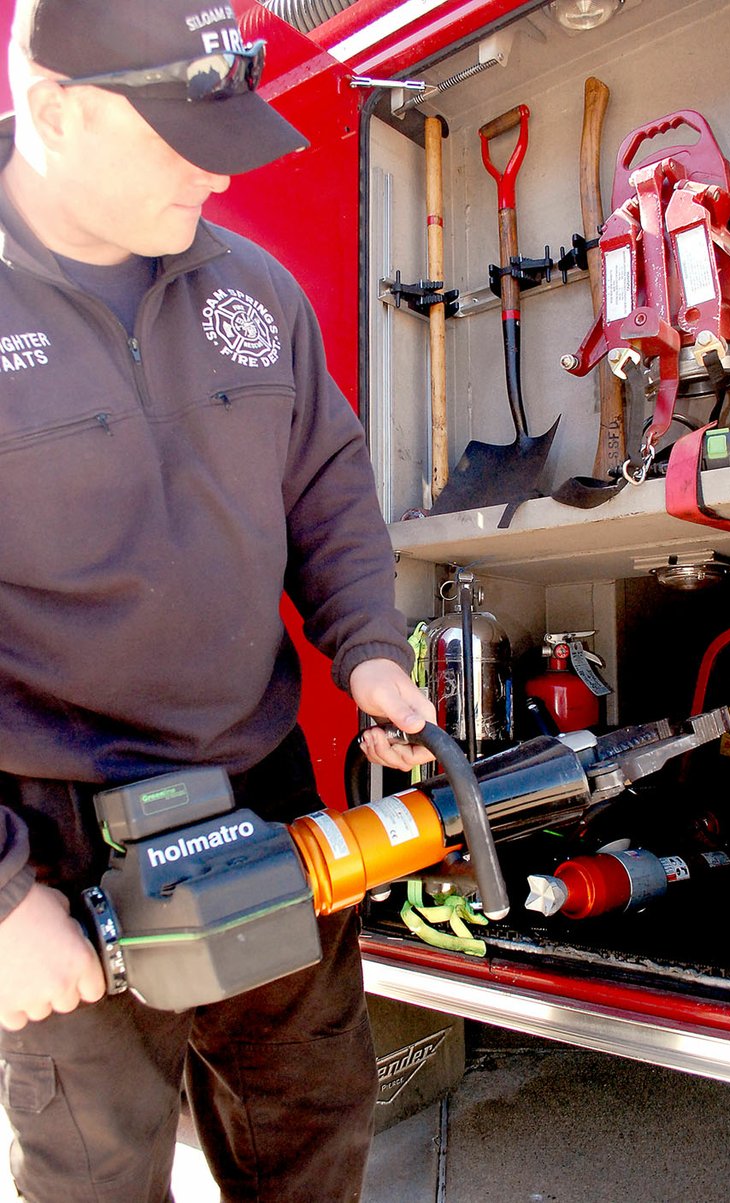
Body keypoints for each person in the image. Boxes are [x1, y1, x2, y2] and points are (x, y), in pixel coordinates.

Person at [0, 1, 436, 1199]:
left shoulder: (253, 288)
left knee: (310, 1131)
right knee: (97, 1172)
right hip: (57, 840)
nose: (213, 168)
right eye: (172, 135)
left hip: (268, 801)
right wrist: (1, 900)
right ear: (52, 113)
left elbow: (328, 491)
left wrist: (368, 652)